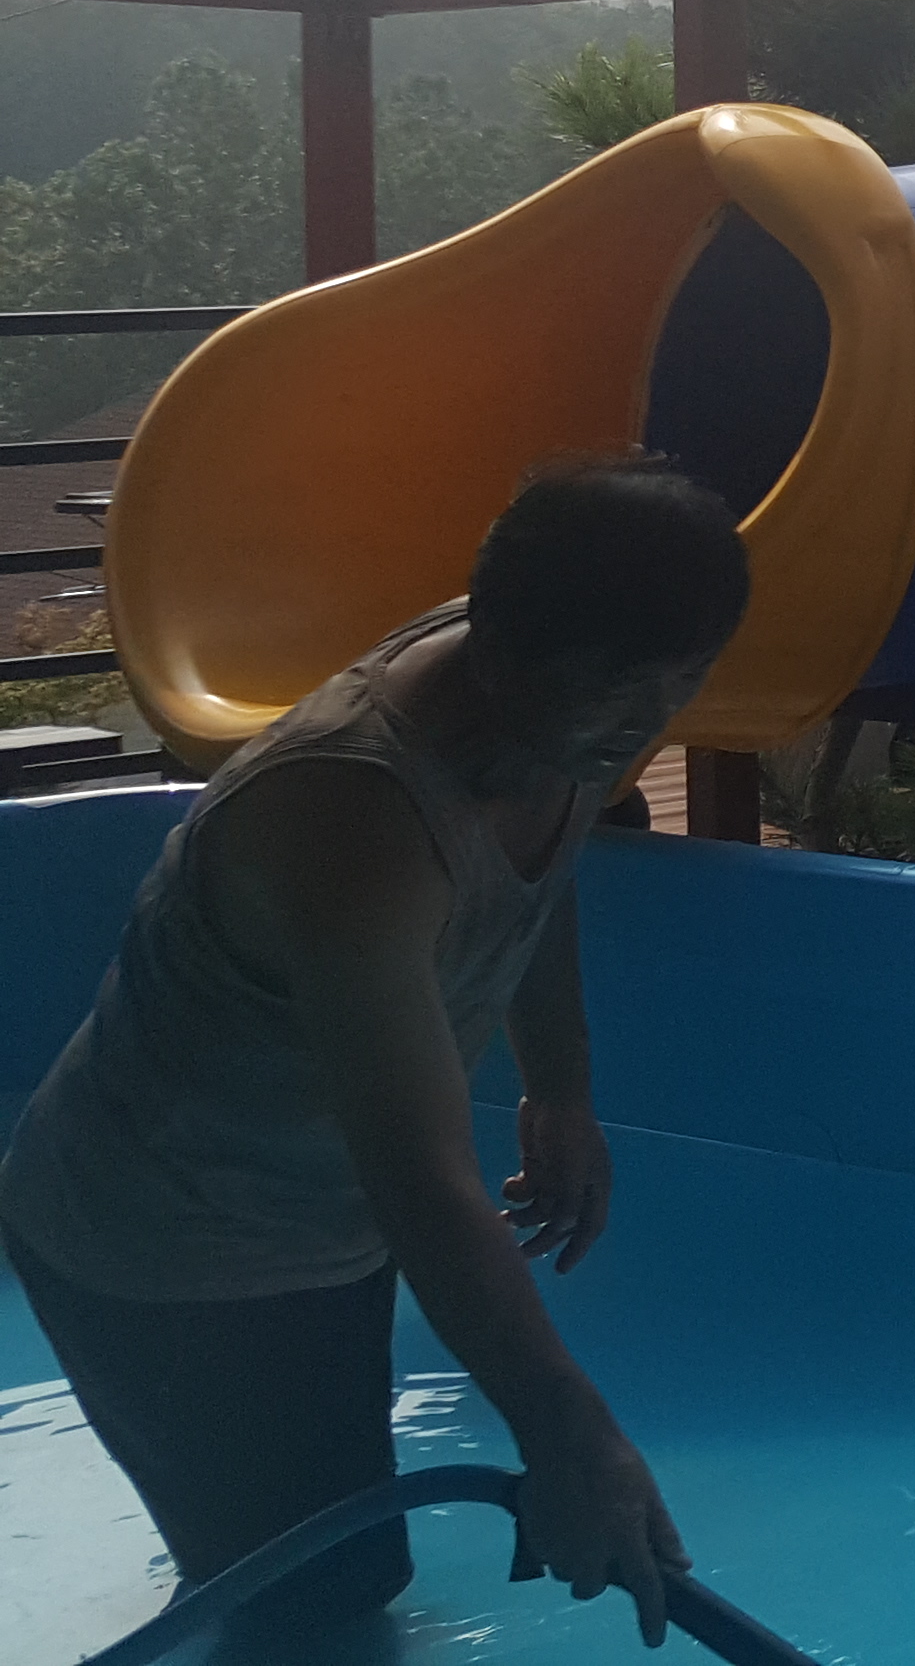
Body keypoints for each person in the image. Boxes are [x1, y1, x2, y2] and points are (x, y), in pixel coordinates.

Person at [4, 454, 751, 1655]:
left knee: (339, 1573)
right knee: (313, 1607)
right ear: (496, 649)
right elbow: (423, 1185)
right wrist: (570, 1432)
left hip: (306, 1215)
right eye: (613, 691)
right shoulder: (351, 820)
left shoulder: (563, 698)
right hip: (166, 1242)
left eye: (676, 684)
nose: (638, 726)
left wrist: (560, 1089)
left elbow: (543, 861)